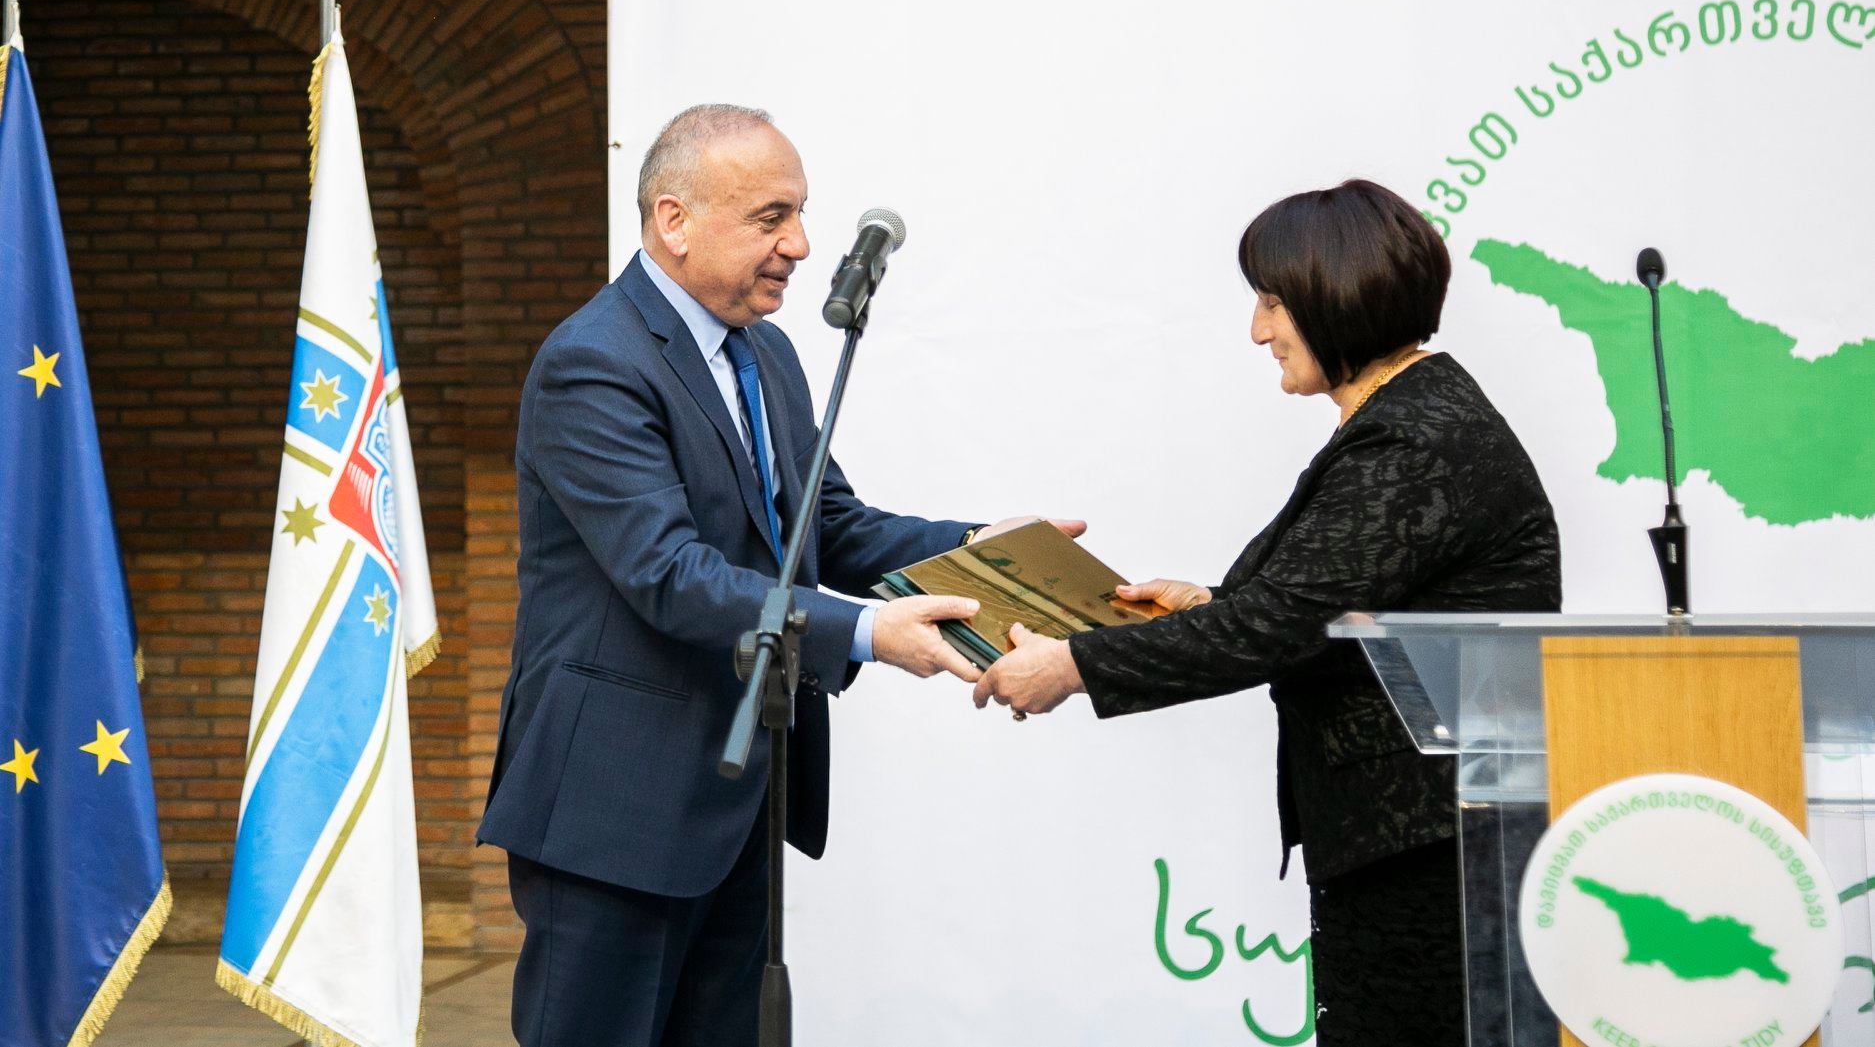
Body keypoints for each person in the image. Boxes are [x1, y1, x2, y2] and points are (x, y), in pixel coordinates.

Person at [480, 104, 1078, 1046]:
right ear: (674, 220)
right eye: (771, 217)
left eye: (800, 214)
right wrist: (865, 633)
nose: (799, 244)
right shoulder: (592, 361)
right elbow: (669, 571)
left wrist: (979, 544)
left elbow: (823, 523)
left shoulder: (768, 352)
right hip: (613, 809)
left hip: (739, 805)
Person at [972, 178, 1561, 1044]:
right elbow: (1333, 608)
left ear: (1339, 295)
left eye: (1273, 302)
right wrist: (1210, 603)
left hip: (1433, 851)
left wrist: (1071, 665)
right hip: (1419, 841)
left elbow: (1282, 624)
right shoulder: (1412, 420)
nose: (1257, 330)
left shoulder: (1412, 438)